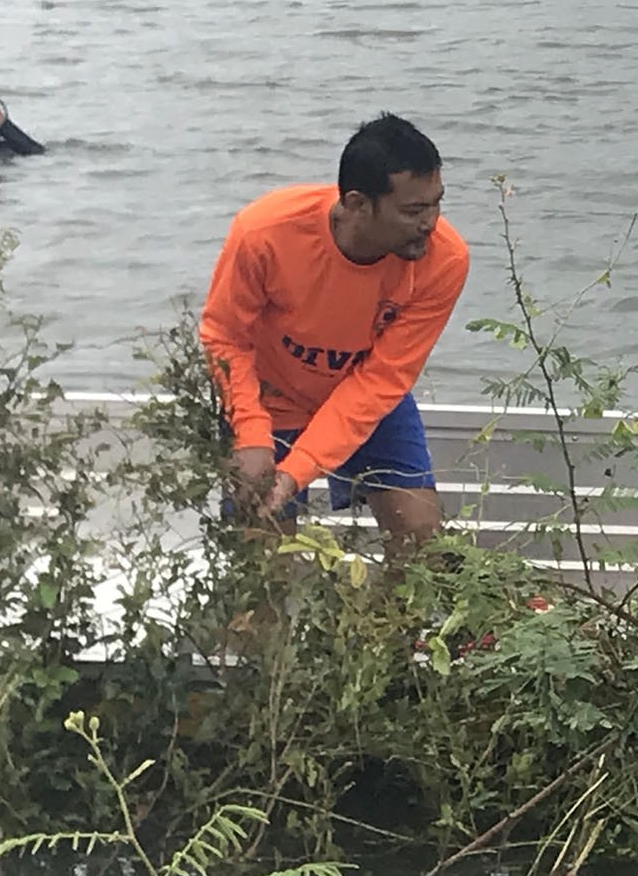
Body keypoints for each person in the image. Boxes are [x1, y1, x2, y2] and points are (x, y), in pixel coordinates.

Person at [199, 113, 469, 552]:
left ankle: (383, 623)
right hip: (271, 398)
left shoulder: (445, 260)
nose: (431, 223)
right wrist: (250, 433)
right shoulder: (265, 232)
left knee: (422, 540)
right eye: (413, 210)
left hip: (367, 396)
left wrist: (299, 469)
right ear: (358, 204)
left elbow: (382, 380)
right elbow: (225, 336)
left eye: (437, 203)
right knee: (259, 555)